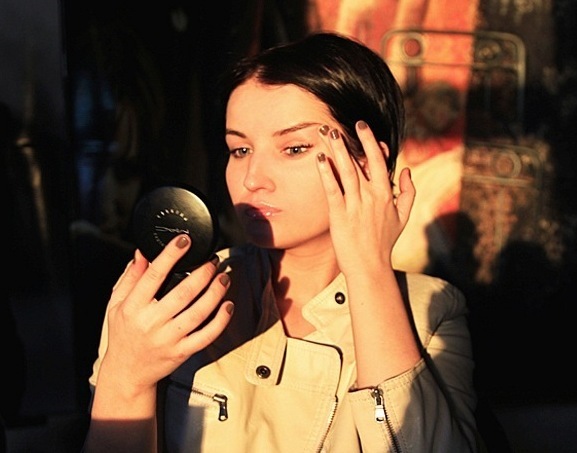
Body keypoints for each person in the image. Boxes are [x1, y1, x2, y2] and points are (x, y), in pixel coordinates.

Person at [82, 32, 479, 452]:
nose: (253, 178)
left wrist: (369, 271)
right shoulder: (169, 301)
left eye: (293, 148)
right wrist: (126, 377)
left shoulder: (429, 313)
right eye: (239, 150)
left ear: (368, 161)